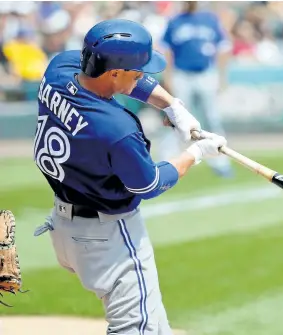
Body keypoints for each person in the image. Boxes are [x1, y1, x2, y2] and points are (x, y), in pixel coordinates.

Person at [33, 19, 227, 335]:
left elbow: (127, 81)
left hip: (64, 225)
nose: (143, 76)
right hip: (107, 237)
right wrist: (197, 153)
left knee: (155, 326)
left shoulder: (59, 69)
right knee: (137, 329)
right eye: (137, 71)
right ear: (113, 73)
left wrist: (173, 107)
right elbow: (148, 184)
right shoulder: (116, 130)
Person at [159, 1, 234, 177]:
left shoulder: (210, 20)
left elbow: (224, 47)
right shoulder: (175, 21)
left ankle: (220, 161)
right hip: (182, 74)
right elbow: (166, 51)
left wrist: (222, 76)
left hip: (205, 73)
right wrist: (168, 77)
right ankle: (166, 159)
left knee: (211, 117)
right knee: (175, 117)